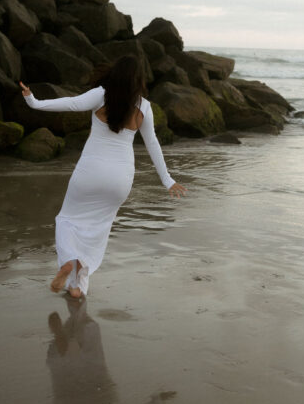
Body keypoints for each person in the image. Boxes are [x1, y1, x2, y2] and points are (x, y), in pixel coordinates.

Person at [20, 55, 186, 299]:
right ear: (139, 80)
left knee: (67, 219)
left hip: (90, 172)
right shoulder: (145, 107)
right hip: (119, 180)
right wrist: (167, 180)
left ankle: (68, 261)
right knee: (97, 229)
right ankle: (76, 286)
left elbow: (71, 103)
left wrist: (33, 102)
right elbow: (153, 145)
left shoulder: (100, 94)